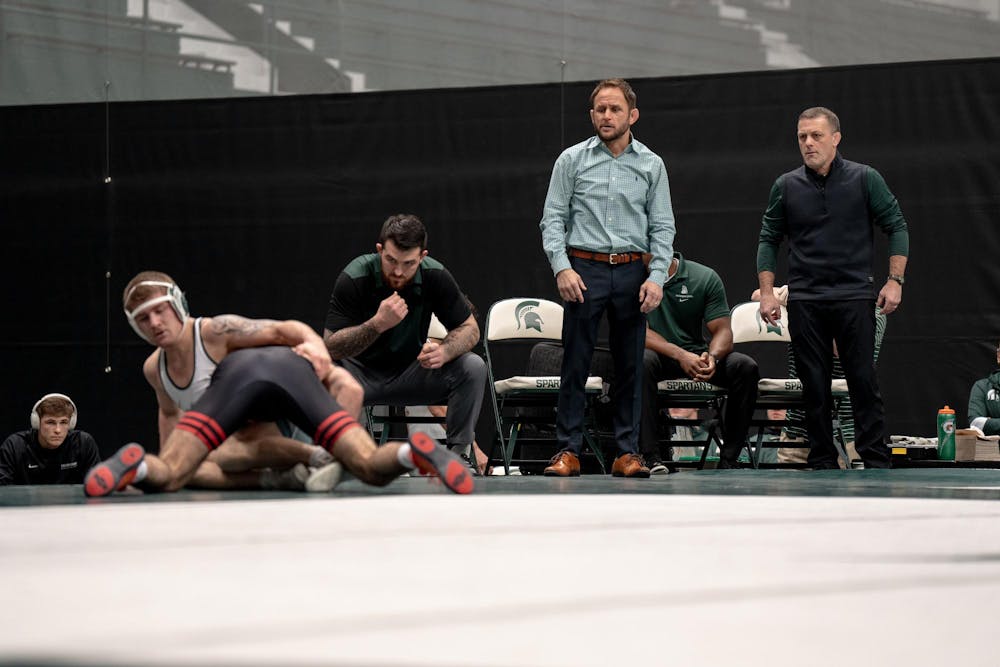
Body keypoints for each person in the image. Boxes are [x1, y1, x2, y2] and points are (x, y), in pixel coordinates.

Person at [84, 346, 474, 496]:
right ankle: (409, 453)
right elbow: (350, 391)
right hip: (294, 377)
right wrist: (332, 452)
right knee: (370, 466)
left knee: (179, 471)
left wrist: (167, 468)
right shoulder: (294, 360)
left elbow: (170, 416)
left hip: (239, 390)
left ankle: (137, 467)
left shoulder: (163, 364)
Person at [756, 106, 909, 470]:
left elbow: (897, 226)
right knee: (813, 386)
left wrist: (895, 280)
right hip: (807, 299)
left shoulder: (864, 178)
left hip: (855, 295)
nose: (808, 143)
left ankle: (874, 458)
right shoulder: (786, 185)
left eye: (816, 136)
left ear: (836, 138)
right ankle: (822, 459)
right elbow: (768, 239)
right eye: (802, 137)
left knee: (862, 382)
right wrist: (765, 291)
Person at [538, 78, 676, 478]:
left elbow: (663, 227)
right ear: (592, 114)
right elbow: (553, 219)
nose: (607, 116)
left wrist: (655, 278)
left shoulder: (651, 164)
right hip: (585, 268)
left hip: (633, 270)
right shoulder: (572, 160)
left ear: (632, 115)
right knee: (575, 363)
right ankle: (568, 451)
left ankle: (627, 453)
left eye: (615, 109)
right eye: (600, 109)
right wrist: (562, 266)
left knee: (632, 364)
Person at [118, 271, 347, 492]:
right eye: (144, 318)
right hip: (230, 443)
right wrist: (166, 468)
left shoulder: (214, 332)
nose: (155, 323)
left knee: (220, 454)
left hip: (275, 426)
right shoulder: (154, 368)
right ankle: (281, 479)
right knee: (189, 471)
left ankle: (317, 456)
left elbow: (281, 330)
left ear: (178, 304)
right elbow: (169, 414)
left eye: (159, 310)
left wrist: (317, 346)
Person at [323, 214, 487, 466]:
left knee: (472, 366)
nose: (398, 271)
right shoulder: (355, 276)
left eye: (408, 263)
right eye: (390, 260)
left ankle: (460, 455)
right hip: (360, 375)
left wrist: (445, 351)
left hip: (412, 372)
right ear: (379, 251)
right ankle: (335, 456)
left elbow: (470, 328)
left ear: (422, 256)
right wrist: (376, 324)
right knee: (319, 369)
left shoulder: (435, 275)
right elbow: (331, 346)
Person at [640, 253, 759, 473]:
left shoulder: (702, 277)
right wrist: (680, 355)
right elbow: (636, 332)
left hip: (697, 357)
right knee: (641, 361)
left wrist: (711, 357)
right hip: (659, 357)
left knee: (745, 367)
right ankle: (650, 457)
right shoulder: (630, 278)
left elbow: (723, 330)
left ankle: (730, 459)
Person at [752, 285, 887, 466]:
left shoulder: (871, 310)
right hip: (797, 430)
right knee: (788, 490)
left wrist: (806, 310)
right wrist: (792, 299)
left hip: (846, 431)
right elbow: (758, 295)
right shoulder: (807, 297)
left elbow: (844, 348)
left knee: (850, 491)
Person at [1, 393, 101, 485]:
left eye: (63, 422)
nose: (58, 430)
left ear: (71, 423)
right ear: (37, 423)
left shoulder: (83, 443)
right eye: (50, 422)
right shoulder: (15, 446)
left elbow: (97, 485)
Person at [968, 340, 1000, 435]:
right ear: (999, 356)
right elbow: (976, 423)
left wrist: (991, 422)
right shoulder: (982, 387)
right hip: (992, 449)